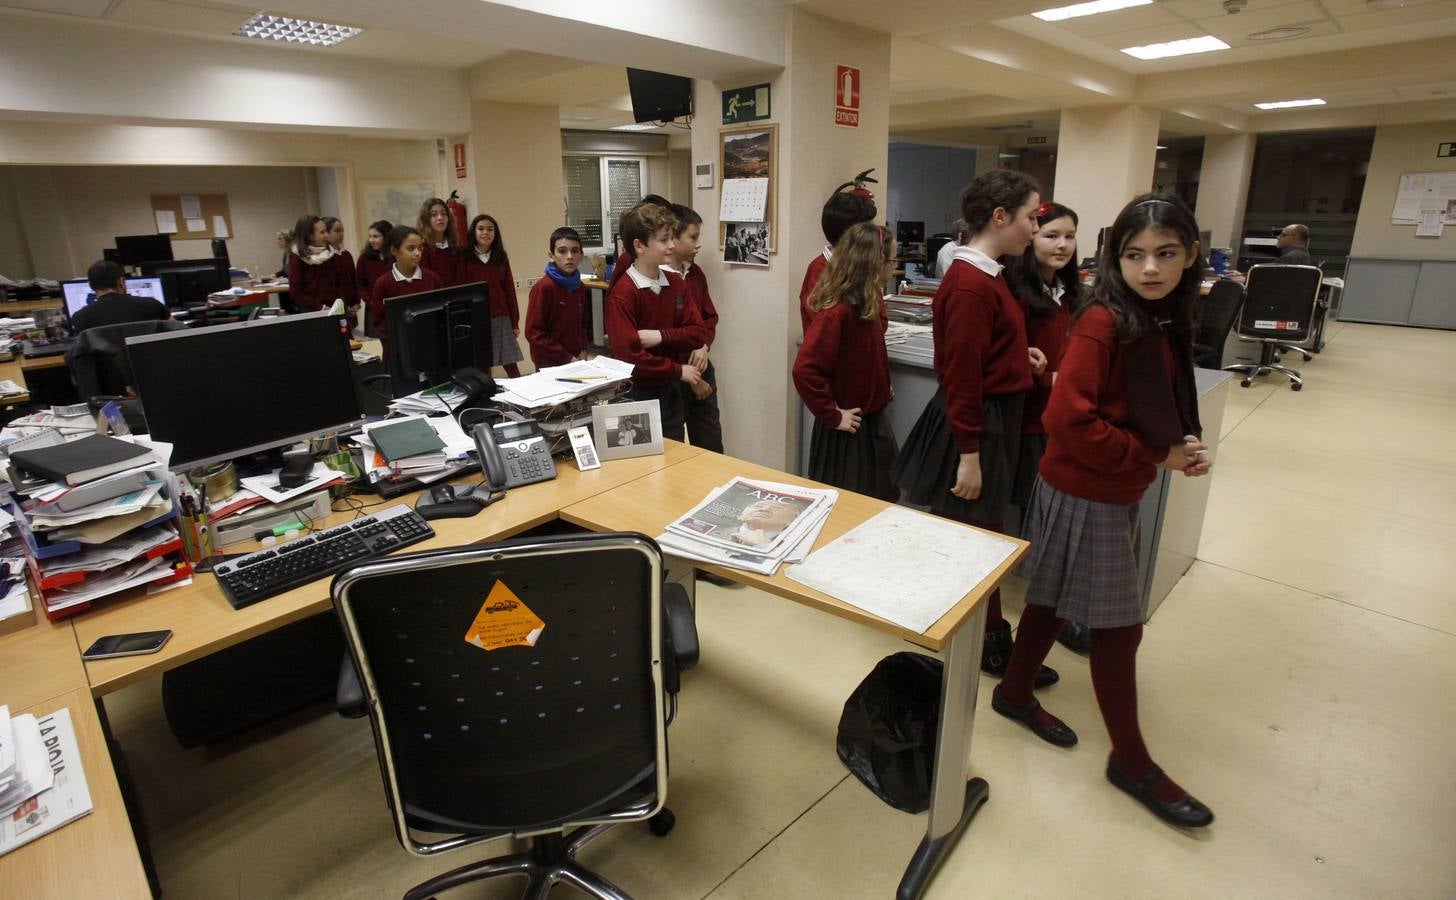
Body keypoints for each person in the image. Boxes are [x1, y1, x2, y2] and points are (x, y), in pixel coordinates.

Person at [995, 192, 1214, 829]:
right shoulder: (1105, 321)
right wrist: (1156, 453)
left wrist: (1178, 445)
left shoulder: (1160, 318)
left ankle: (1014, 691)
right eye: (1134, 254)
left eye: (1165, 253)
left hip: (1106, 485)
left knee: (1049, 598)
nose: (1150, 268)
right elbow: (1067, 419)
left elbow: (1152, 399)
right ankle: (1131, 761)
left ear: (1189, 255)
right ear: (1116, 258)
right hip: (1087, 487)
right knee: (1120, 630)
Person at [892, 169, 1056, 683]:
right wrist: (969, 454)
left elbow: (983, 353)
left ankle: (986, 639)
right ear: (1000, 217)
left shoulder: (989, 275)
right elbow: (960, 374)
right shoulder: (969, 285)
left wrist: (1017, 356)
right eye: (1031, 217)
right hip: (976, 425)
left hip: (990, 419)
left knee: (983, 535)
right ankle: (983, 642)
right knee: (976, 538)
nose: (1036, 229)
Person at [1002, 200, 1086, 653]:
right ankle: (1041, 613)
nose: (1062, 245)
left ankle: (1053, 612)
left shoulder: (1070, 293)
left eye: (1069, 236)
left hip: (1061, 417)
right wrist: (1044, 375)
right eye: (1051, 235)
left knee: (1051, 523)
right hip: (1026, 420)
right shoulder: (1016, 292)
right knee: (1033, 518)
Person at [793, 222, 899, 501]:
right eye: (892, 261)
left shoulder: (866, 304)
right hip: (847, 433)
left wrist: (880, 386)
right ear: (874, 264)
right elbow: (804, 370)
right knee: (849, 506)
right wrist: (832, 414)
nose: (894, 268)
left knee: (882, 498)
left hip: (872, 424)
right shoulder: (837, 313)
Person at [604, 202, 707, 442]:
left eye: (672, 238)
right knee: (636, 456)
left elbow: (697, 333)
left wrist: (662, 336)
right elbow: (630, 358)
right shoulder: (624, 293)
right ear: (639, 246)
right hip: (635, 394)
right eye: (663, 240)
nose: (672, 245)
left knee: (673, 452)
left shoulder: (676, 283)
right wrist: (677, 369)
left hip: (669, 393)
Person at [663, 203, 723, 453]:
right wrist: (691, 377)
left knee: (711, 444)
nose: (698, 244)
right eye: (693, 237)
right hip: (674, 374)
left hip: (701, 366)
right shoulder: (660, 278)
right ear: (673, 238)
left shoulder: (695, 273)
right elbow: (668, 334)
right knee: (674, 449)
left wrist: (704, 346)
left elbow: (709, 317)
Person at [800, 188, 876, 333]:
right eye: (866, 231)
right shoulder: (819, 270)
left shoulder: (862, 268)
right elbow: (824, 327)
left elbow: (879, 319)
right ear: (850, 236)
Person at [456, 214, 522, 378]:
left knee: (511, 364)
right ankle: (488, 392)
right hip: (476, 318)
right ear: (474, 232)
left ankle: (523, 391)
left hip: (501, 316)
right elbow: (461, 291)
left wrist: (514, 322)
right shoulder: (464, 257)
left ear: (495, 233)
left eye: (490, 229)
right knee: (483, 364)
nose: (485, 233)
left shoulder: (500, 257)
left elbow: (509, 290)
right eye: (481, 229)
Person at [369, 225, 442, 359]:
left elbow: (440, 313)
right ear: (394, 250)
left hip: (429, 349)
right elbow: (379, 323)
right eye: (411, 248)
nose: (417, 253)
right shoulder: (383, 283)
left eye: (420, 248)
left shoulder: (432, 278)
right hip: (398, 353)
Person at [525, 226, 589, 369]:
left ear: (581, 255)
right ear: (551, 255)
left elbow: (583, 324)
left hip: (576, 358)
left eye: (575, 251)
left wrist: (583, 349)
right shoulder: (544, 287)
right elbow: (534, 333)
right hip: (550, 363)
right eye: (562, 251)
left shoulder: (580, 287)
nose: (569, 256)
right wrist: (566, 358)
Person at [69, 260, 168, 334]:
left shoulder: (80, 318)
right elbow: (174, 332)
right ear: (121, 282)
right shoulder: (152, 305)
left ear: (91, 286)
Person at [286, 214, 349, 312]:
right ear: (309, 235)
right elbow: (295, 293)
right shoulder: (298, 258)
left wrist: (340, 304)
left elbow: (338, 283)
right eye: (322, 232)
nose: (327, 235)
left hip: (334, 309)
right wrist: (320, 307)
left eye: (326, 231)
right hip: (312, 312)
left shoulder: (329, 253)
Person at [355, 219, 393, 320]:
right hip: (375, 308)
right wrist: (371, 301)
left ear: (387, 237)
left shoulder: (396, 256)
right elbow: (360, 284)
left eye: (376, 236)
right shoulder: (364, 258)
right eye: (370, 236)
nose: (371, 240)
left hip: (395, 306)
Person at [322, 216, 360, 315]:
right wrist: (344, 306)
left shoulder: (346, 254)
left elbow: (354, 280)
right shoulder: (325, 256)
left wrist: (357, 302)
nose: (341, 234)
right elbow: (330, 285)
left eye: (342, 230)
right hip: (335, 307)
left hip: (351, 305)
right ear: (326, 233)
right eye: (337, 231)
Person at [416, 197, 459, 286]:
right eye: (434, 215)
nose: (440, 218)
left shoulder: (455, 247)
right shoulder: (422, 249)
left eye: (443, 214)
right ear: (426, 220)